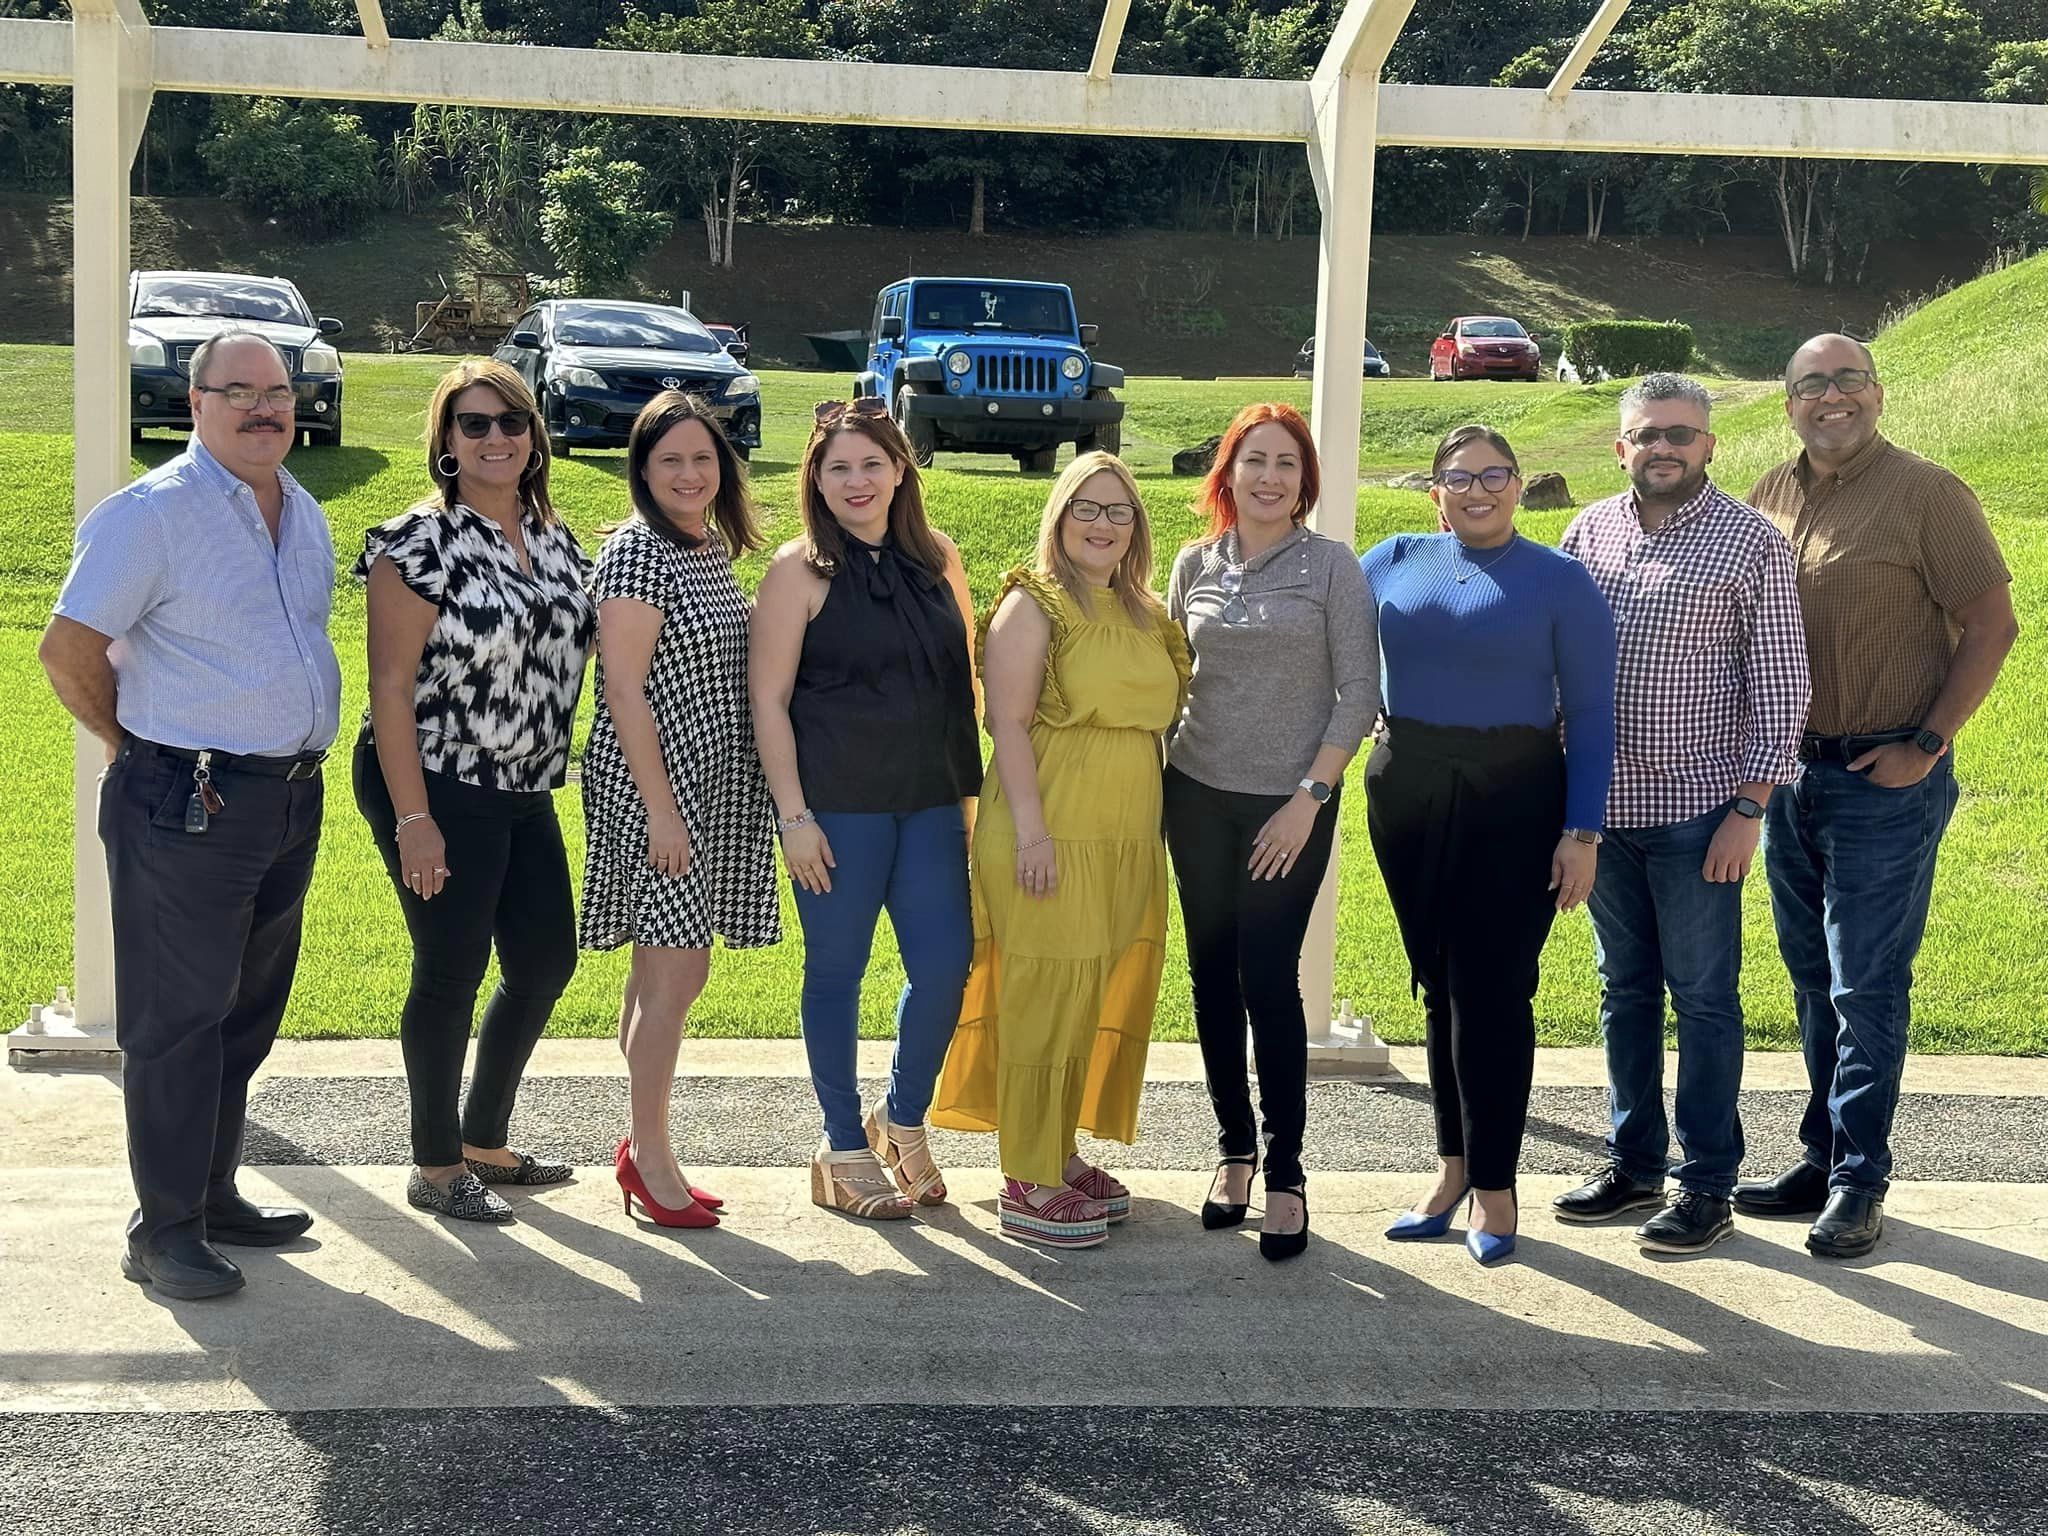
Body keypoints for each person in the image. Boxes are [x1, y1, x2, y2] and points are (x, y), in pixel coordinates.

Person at [42, 331, 341, 1299]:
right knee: (176, 1022)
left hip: (286, 797)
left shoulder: (302, 511)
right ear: (195, 401)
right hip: (186, 799)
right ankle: (162, 1231)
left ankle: (209, 1196)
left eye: (278, 392)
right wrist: (135, 746)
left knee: (244, 1012)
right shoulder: (152, 514)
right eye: (239, 391)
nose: (264, 408)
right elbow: (67, 649)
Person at [1736, 334, 2017, 1259]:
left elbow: (1992, 624)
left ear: (1878, 393)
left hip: (1883, 782)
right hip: (1791, 776)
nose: (1833, 397)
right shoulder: (1770, 495)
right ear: (1789, 403)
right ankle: (1822, 1157)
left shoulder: (1929, 494)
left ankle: (1861, 1181)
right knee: (1812, 978)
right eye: (1812, 383)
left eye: (1849, 379)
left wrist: (1926, 745)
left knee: (1866, 982)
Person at [1554, 375, 1809, 1254]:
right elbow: (1559, 667)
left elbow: (1783, 684)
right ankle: (1633, 1165)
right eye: (1646, 433)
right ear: (1621, 446)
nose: (1662, 446)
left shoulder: (1751, 542)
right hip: (1602, 810)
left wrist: (1750, 807)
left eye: (1680, 433)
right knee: (1623, 991)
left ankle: (1706, 1184)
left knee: (1702, 999)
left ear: (1708, 446)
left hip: (1699, 813)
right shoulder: (1588, 531)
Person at [1364, 424, 1616, 1267]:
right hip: (1407, 790)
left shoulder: (1560, 580)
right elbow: (1320, 644)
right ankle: (1451, 1173)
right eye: (1461, 477)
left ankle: (1498, 1189)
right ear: (1435, 489)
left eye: (1495, 475)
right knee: (1439, 987)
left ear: (1518, 484)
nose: (1479, 490)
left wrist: (1582, 832)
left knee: (1495, 990)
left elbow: (1592, 714)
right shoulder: (1392, 560)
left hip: (1517, 797)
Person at [352, 359, 594, 1224]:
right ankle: (435, 1164)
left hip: (523, 782)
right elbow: (390, 689)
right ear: (447, 442)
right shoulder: (416, 542)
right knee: (450, 970)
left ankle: (485, 1140)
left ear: (535, 437)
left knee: (544, 962)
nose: (497, 437)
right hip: (436, 778)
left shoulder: (557, 538)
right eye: (475, 424)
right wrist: (413, 818)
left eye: (512, 421)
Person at [931, 452, 1190, 1249]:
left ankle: (1060, 1149)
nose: (1103, 524)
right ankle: (1026, 1176)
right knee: (1045, 996)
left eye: (1119, 510)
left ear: (1136, 525)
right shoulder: (1032, 602)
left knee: (1089, 995)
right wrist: (1034, 834)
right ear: (1060, 516)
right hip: (1047, 828)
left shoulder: (1145, 612)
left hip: (1124, 833)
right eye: (1087, 507)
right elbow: (1006, 723)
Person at [749, 398, 980, 1222]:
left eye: (872, 464)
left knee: (947, 966)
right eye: (838, 466)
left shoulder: (940, 558)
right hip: (837, 812)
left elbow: (964, 686)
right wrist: (794, 817)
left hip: (930, 804)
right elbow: (768, 702)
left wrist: (968, 802)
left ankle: (902, 1119)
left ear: (900, 471)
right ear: (815, 478)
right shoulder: (797, 571)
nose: (857, 481)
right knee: (837, 972)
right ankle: (842, 1147)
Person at [1164, 402, 1378, 1263]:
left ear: (1304, 481)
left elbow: (1358, 694)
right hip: (1194, 795)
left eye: (1287, 463)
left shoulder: (1332, 568)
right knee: (1211, 976)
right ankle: (1234, 1153)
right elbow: (1172, 681)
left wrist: (1309, 797)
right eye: (1255, 459)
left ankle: (1287, 1172)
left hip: (1288, 807)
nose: (1270, 477)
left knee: (1268, 979)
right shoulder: (1194, 563)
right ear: (1229, 471)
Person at [581, 392, 780, 1230]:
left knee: (656, 976)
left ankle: (643, 1144)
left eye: (703, 458)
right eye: (670, 460)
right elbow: (622, 690)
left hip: (706, 782)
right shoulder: (637, 553)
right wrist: (663, 813)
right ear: (643, 469)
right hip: (656, 788)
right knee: (677, 975)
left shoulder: (705, 547)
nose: (690, 474)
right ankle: (651, 1160)